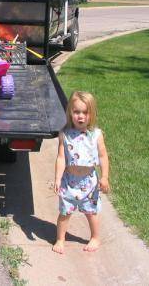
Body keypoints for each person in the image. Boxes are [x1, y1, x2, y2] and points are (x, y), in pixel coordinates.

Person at [52, 91, 110, 254]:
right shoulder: (65, 134)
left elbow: (103, 156)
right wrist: (57, 179)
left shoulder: (96, 135)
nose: (81, 116)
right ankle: (60, 239)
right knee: (64, 213)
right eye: (76, 112)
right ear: (70, 112)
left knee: (91, 213)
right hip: (69, 181)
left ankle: (95, 237)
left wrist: (104, 177)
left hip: (89, 183)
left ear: (91, 114)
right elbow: (61, 158)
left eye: (85, 112)